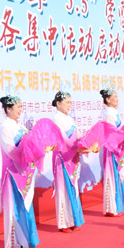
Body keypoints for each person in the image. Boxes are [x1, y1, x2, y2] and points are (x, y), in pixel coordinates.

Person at [0, 95, 54, 248]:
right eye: (18, 107)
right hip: (13, 172)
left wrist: (41, 149)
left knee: (26, 205)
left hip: (24, 171)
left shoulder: (20, 127)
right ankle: (16, 241)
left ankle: (27, 239)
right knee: (15, 206)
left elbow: (30, 146)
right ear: (8, 109)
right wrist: (30, 154)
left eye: (21, 107)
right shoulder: (5, 127)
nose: (20, 110)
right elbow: (11, 151)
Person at [51, 90, 87, 232]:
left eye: (70, 102)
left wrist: (86, 145)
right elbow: (63, 139)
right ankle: (64, 223)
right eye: (66, 102)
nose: (69, 105)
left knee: (72, 188)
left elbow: (77, 136)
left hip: (72, 157)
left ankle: (73, 220)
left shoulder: (70, 119)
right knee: (63, 190)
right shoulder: (57, 118)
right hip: (62, 158)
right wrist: (78, 148)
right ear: (58, 103)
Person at [100, 88, 124, 217]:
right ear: (107, 99)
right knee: (111, 176)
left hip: (117, 147)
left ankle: (116, 206)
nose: (117, 99)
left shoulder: (114, 112)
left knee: (117, 175)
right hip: (112, 148)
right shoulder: (109, 114)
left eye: (117, 96)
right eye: (114, 96)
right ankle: (111, 207)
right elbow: (111, 133)